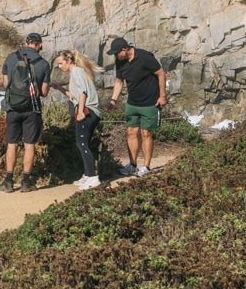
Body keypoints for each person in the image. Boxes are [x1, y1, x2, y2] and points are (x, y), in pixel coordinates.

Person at [106, 35, 164, 177]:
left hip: (150, 103)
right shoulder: (120, 61)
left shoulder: (145, 57)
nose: (115, 56)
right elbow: (119, 81)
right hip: (132, 103)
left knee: (146, 134)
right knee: (131, 133)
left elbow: (161, 74)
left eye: (117, 52)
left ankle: (146, 167)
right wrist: (113, 100)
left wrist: (162, 96)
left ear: (125, 49)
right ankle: (132, 165)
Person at [0, 32, 51, 192]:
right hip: (32, 109)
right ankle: (26, 182)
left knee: (12, 143)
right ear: (39, 44)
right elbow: (43, 92)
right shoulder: (43, 63)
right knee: (29, 145)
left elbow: (5, 84)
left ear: (26, 42)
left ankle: (8, 181)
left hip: (12, 108)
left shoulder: (11, 57)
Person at [53, 49, 101, 189]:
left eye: (61, 63)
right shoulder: (78, 72)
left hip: (88, 112)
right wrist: (60, 89)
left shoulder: (76, 72)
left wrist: (80, 111)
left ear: (68, 61)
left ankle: (92, 178)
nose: (60, 67)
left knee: (82, 144)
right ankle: (87, 174)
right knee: (83, 143)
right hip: (92, 112)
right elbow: (74, 95)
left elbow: (82, 93)